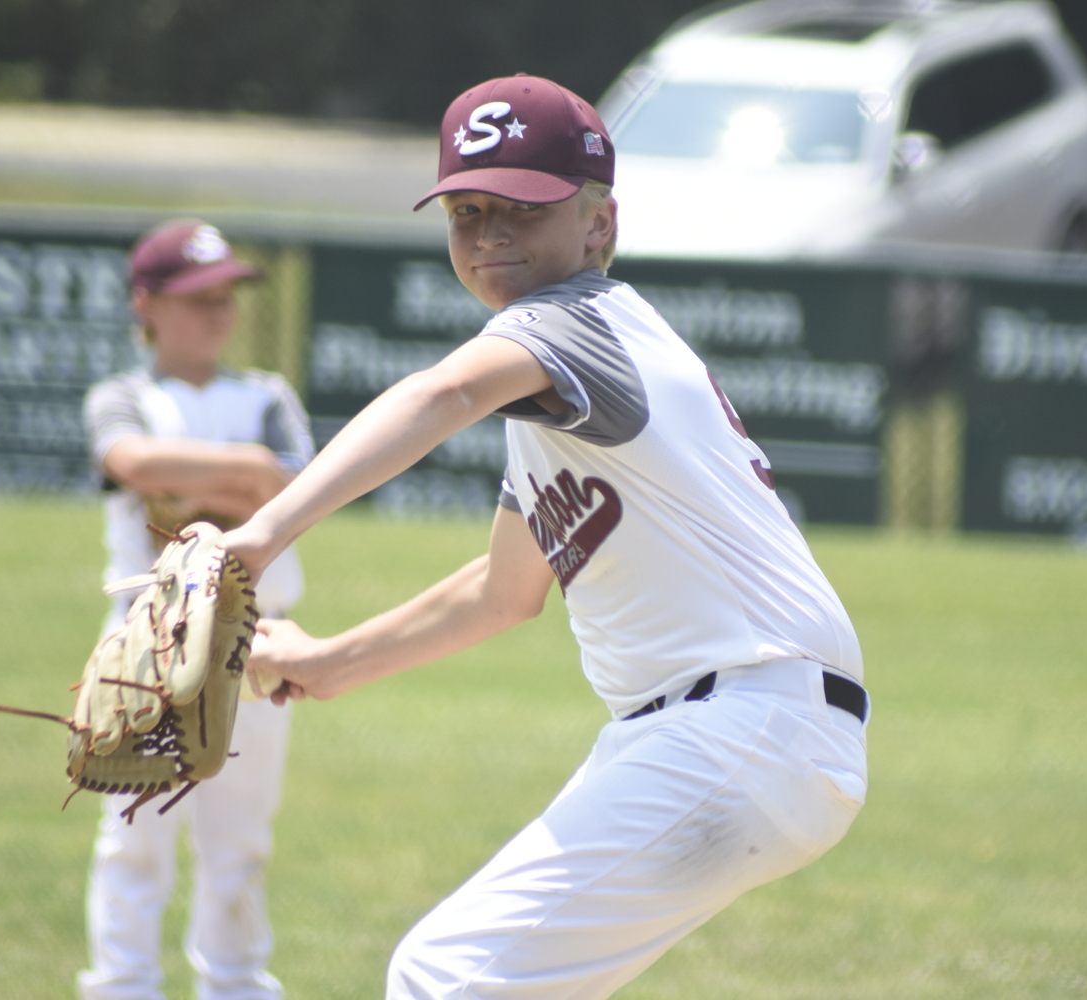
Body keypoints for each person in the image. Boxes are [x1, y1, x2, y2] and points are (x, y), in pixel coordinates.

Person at [227, 75, 869, 999]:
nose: (489, 237)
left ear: (598, 226)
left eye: (522, 211)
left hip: (742, 724)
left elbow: (441, 394)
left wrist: (260, 534)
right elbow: (502, 591)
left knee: (446, 976)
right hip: (736, 732)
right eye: (467, 212)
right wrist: (328, 662)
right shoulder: (567, 396)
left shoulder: (578, 325)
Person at [79, 219, 314, 1000]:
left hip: (256, 638)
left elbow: (295, 489)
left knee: (240, 840)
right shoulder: (125, 395)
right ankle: (123, 987)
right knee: (135, 833)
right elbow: (131, 462)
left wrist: (193, 496)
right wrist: (243, 475)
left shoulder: (266, 396)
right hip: (147, 643)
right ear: (146, 303)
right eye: (195, 296)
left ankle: (237, 985)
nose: (218, 310)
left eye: (226, 295)